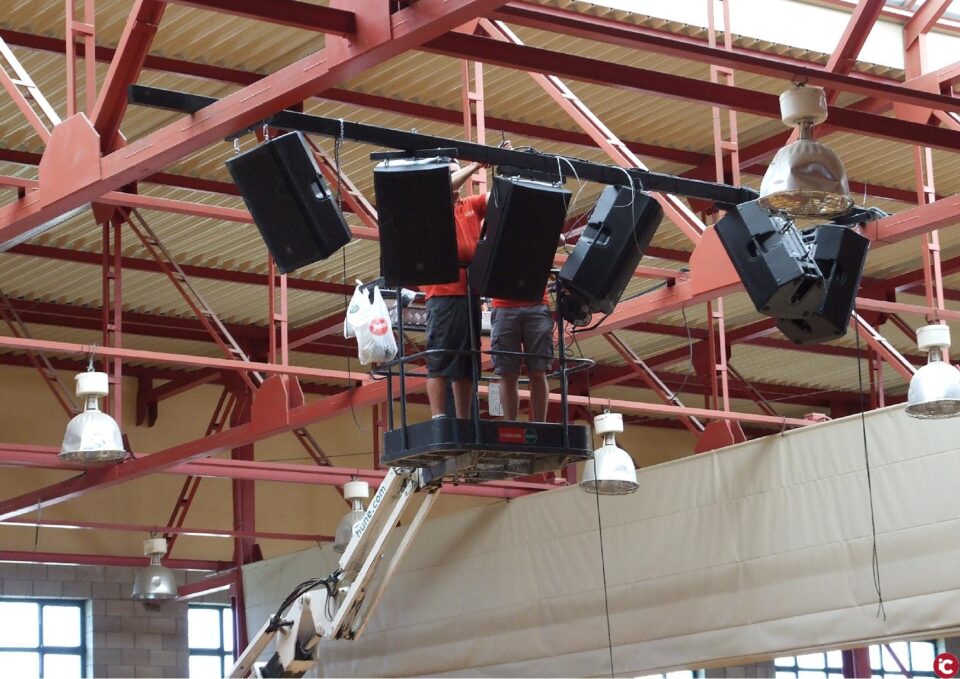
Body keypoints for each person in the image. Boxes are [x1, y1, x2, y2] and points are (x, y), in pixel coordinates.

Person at [420, 157, 491, 420]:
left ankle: (463, 419)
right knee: (440, 356)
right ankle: (439, 418)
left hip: (470, 291)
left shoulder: (469, 205)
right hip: (443, 292)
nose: (458, 178)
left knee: (467, 360)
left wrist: (506, 165)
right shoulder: (432, 203)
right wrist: (475, 166)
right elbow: (443, 186)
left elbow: (498, 196)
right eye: (454, 173)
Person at [490, 287, 553, 422]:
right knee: (508, 373)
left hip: (537, 303)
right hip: (504, 305)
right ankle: (510, 427)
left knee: (538, 371)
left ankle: (540, 426)